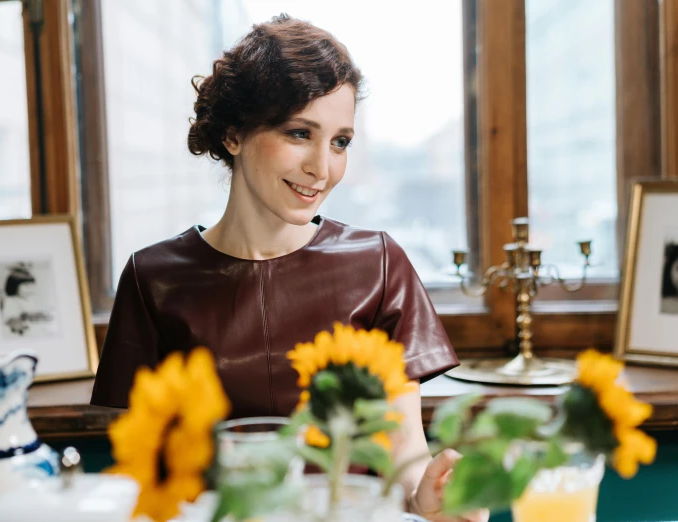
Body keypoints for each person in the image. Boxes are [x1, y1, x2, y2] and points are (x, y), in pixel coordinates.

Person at [91, 14, 487, 522]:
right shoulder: (153, 280)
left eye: (340, 141)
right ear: (233, 134)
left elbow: (406, 457)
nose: (322, 168)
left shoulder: (380, 264)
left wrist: (429, 497)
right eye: (300, 133)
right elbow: (145, 474)